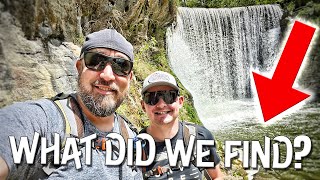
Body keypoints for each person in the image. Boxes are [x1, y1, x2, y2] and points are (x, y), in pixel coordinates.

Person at [0, 29, 142, 179]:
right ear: (79, 67)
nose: (107, 76)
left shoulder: (131, 138)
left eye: (121, 65)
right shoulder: (44, 120)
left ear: (130, 77)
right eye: (95, 61)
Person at [139, 71, 223, 180]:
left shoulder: (199, 137)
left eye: (169, 96)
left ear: (180, 101)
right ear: (143, 106)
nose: (161, 104)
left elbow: (216, 176)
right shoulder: (135, 149)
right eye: (151, 98)